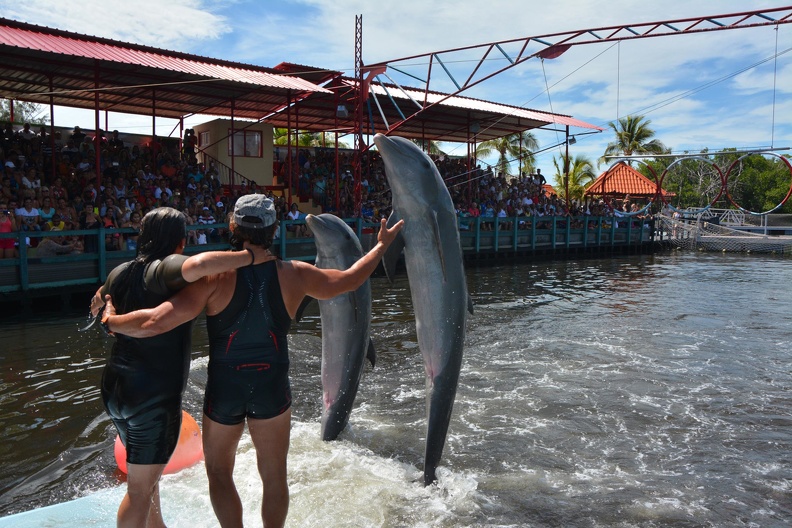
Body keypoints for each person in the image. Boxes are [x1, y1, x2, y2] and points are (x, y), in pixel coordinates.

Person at [100, 194, 404, 528]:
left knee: (218, 472)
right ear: (274, 229)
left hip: (224, 389)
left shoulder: (213, 279)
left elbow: (158, 320)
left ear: (232, 226)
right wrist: (380, 246)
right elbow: (349, 279)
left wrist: (111, 319)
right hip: (271, 386)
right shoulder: (298, 274)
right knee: (274, 475)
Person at [88, 207, 272, 528]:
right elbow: (200, 264)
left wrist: (107, 307)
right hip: (151, 396)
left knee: (147, 477)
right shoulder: (163, 269)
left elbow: (97, 302)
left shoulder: (120, 272)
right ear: (180, 241)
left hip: (116, 389)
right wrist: (250, 257)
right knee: (140, 489)